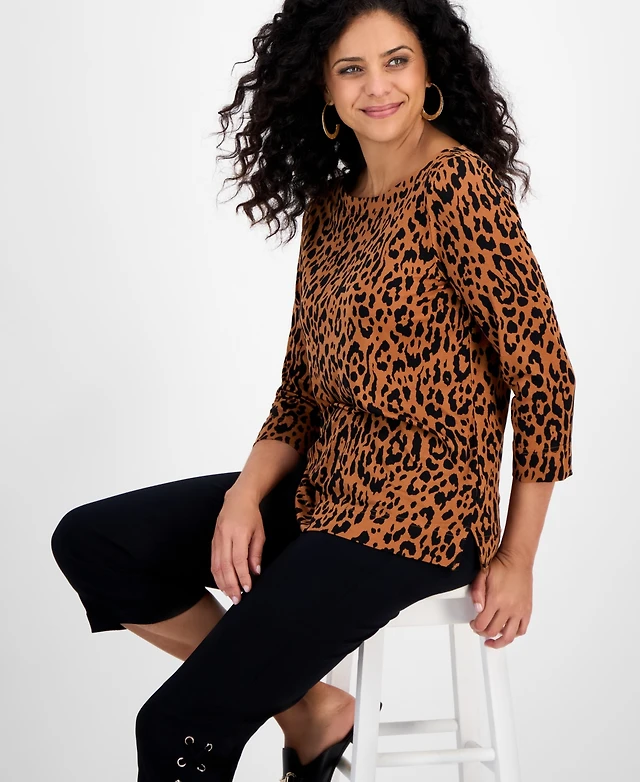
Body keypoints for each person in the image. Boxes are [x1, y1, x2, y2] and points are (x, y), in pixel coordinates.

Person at [50, 2, 576, 780]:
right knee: (97, 542)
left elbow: (546, 376)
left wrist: (519, 557)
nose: (378, 87)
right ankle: (309, 711)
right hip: (324, 493)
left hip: (420, 519)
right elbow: (298, 393)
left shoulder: (459, 186)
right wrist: (244, 495)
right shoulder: (330, 210)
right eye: (351, 69)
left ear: (429, 70)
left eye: (396, 61)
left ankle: (275, 707)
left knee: (177, 726)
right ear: (324, 89)